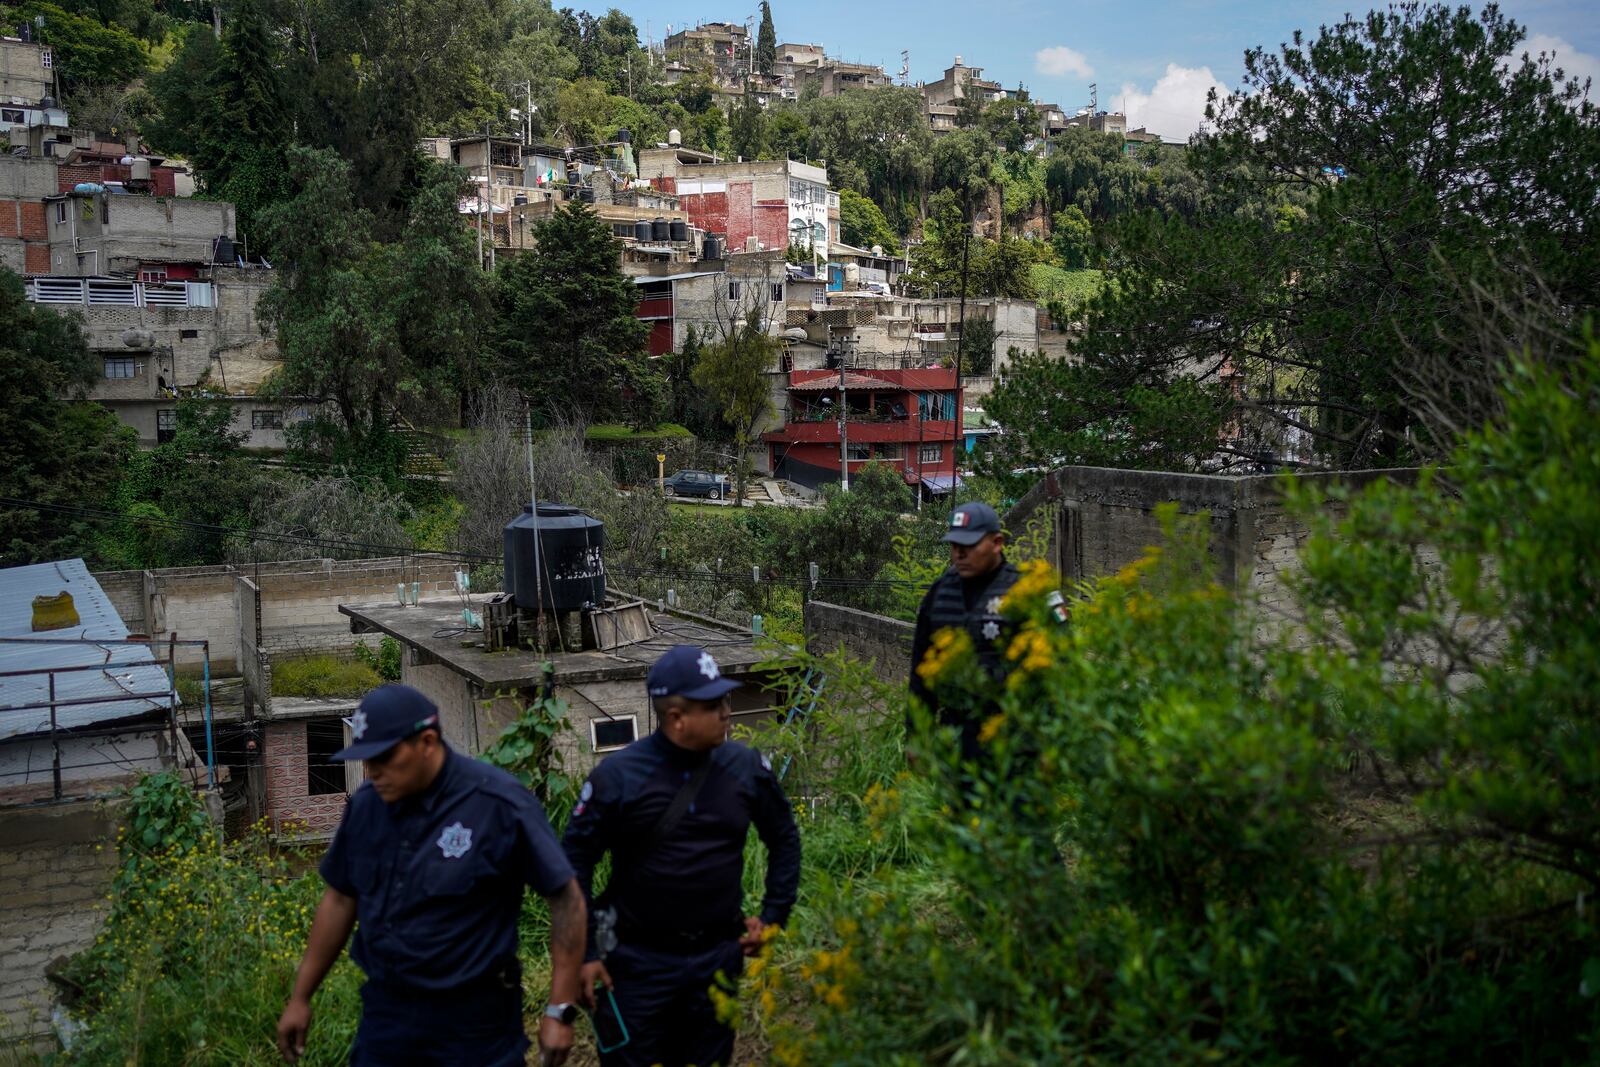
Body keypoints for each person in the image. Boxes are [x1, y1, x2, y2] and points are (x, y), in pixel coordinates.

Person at [275, 684, 586, 1067]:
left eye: (384, 758)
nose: (372, 772)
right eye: (366, 759)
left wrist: (559, 1007)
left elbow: (566, 899)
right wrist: (301, 997)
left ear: (426, 741)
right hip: (387, 1016)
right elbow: (341, 898)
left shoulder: (498, 805)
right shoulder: (367, 807)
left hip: (474, 1026)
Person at [562, 644, 802, 1067]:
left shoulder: (745, 768)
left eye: (726, 699)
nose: (728, 711)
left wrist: (772, 916)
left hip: (717, 957)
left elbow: (784, 838)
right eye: (714, 704)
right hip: (635, 965)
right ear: (677, 718)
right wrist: (587, 954)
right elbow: (574, 865)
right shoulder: (619, 779)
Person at [908, 501, 1023, 764]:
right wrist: (918, 738)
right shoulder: (939, 594)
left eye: (969, 546)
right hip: (956, 739)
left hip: (1014, 740)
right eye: (954, 546)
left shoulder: (1024, 592)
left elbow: (1055, 670)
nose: (959, 554)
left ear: (997, 542)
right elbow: (920, 673)